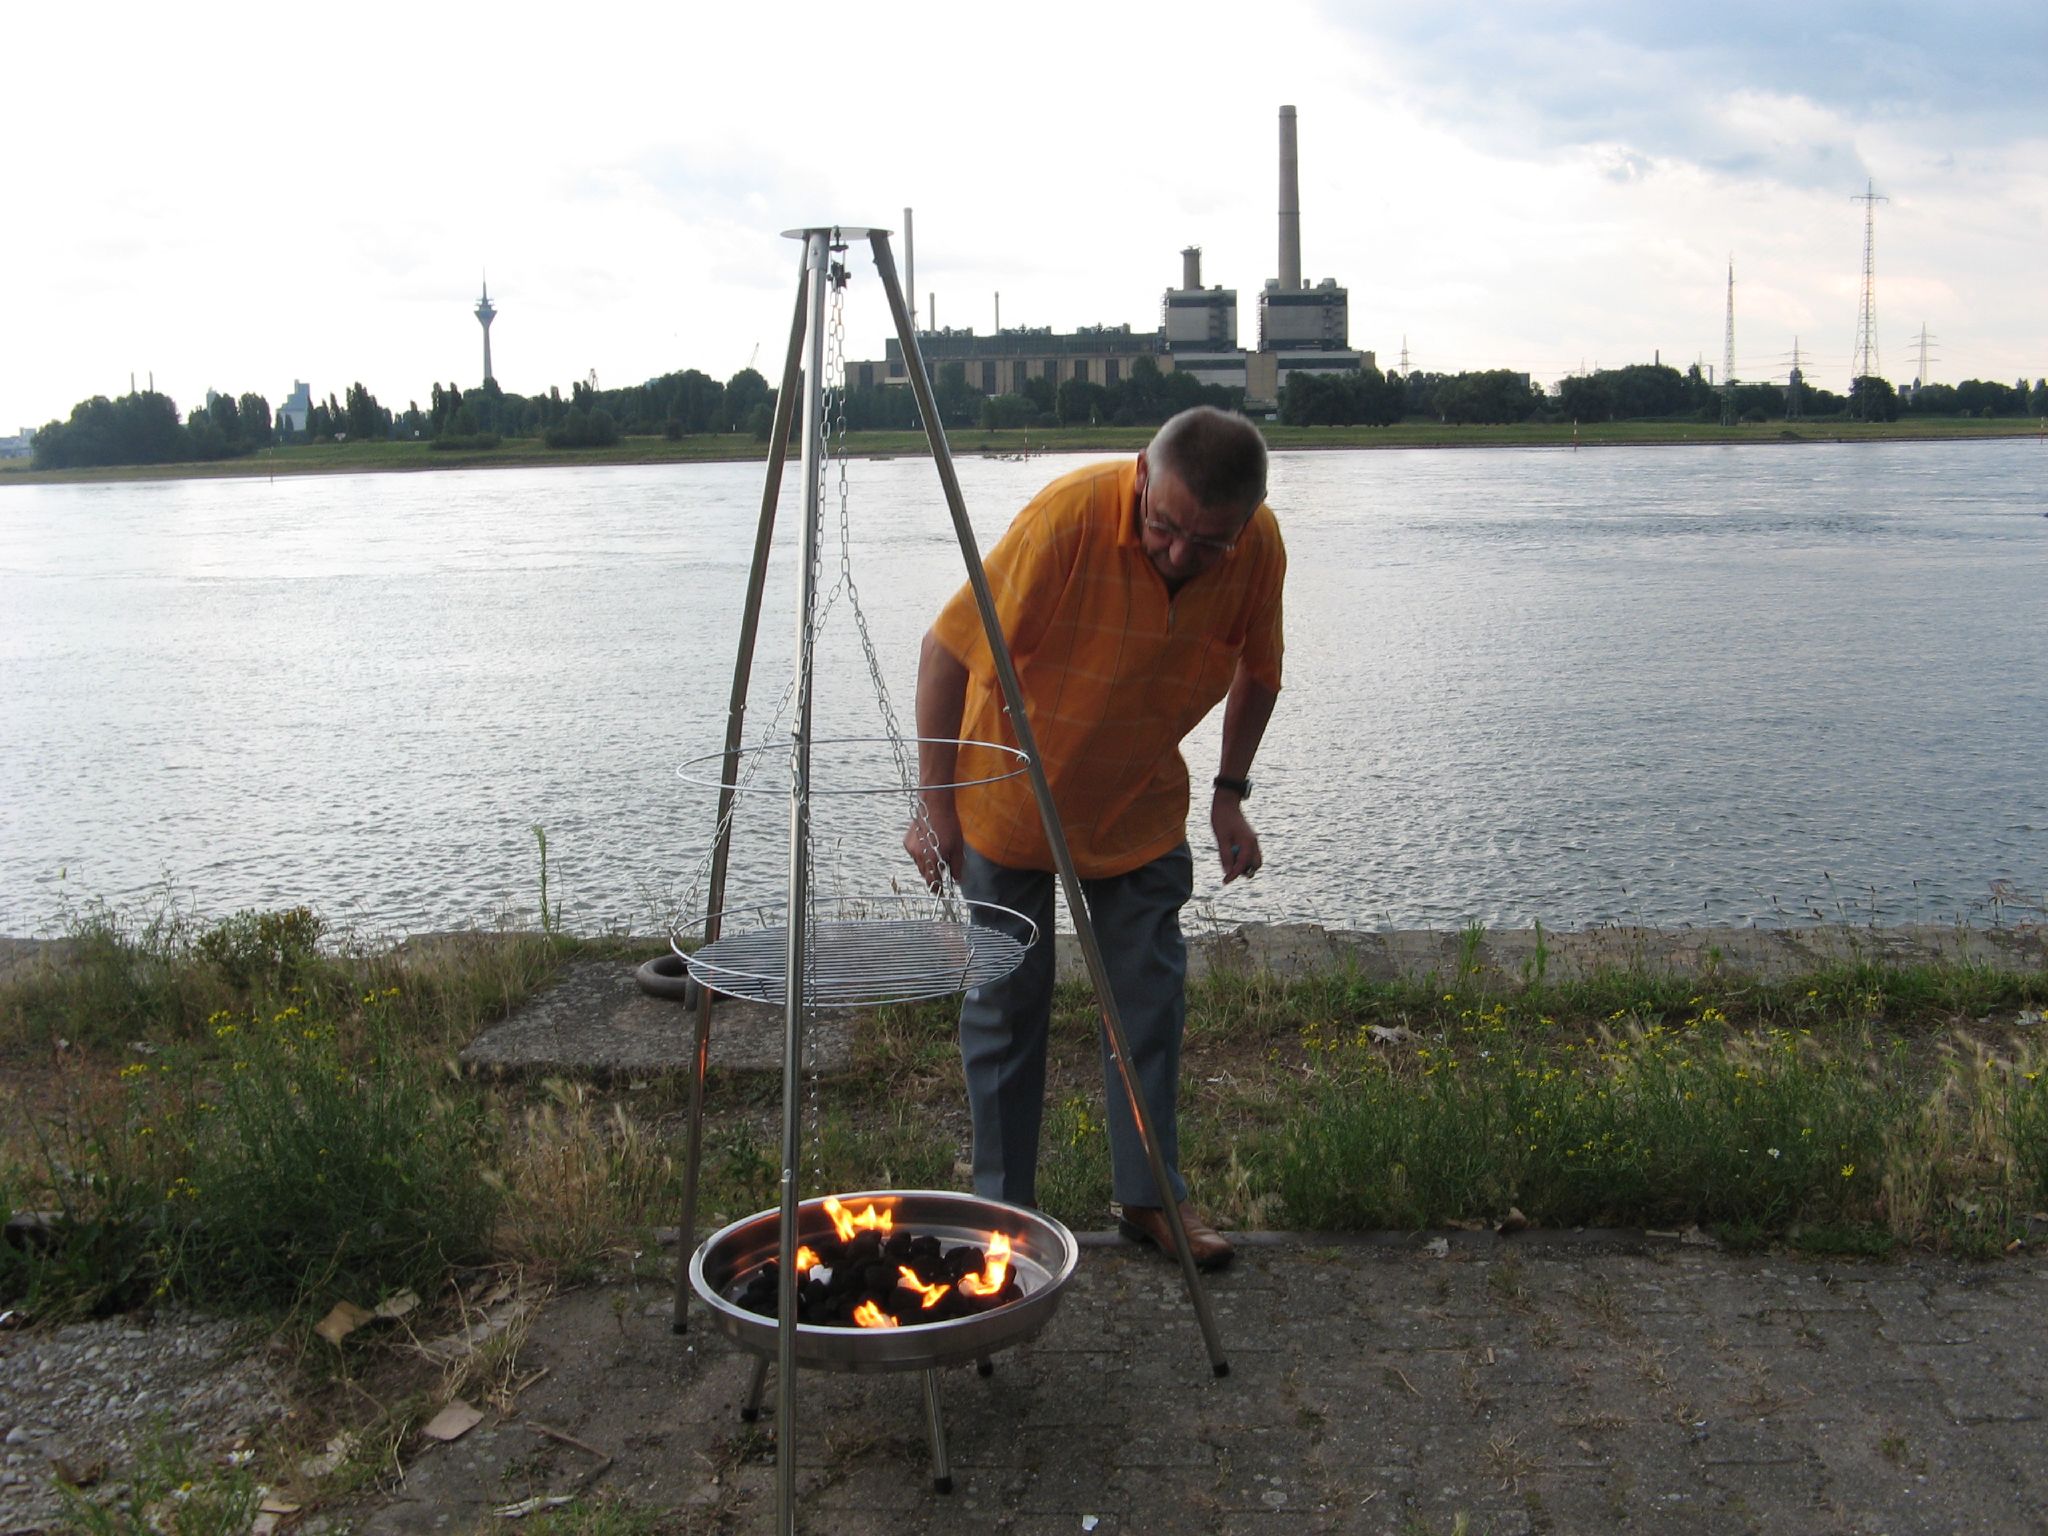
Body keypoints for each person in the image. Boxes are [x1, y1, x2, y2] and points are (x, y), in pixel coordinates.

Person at [903, 405, 1285, 1270]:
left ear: (1247, 523)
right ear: (1143, 479)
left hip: (1135, 808)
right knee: (1007, 1004)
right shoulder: (1067, 519)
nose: (1182, 554)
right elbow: (946, 652)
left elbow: (1257, 671)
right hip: (1009, 802)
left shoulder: (1258, 550)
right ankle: (1001, 1216)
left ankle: (1151, 1198)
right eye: (1165, 528)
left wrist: (1229, 795)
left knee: (1146, 1001)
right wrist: (937, 805)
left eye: (1209, 543)